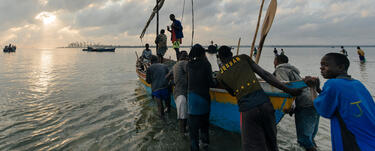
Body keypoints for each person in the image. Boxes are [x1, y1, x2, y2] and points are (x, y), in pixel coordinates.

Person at [216, 46, 302, 151]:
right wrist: (289, 90)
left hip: (248, 110)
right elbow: (265, 74)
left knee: (252, 146)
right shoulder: (243, 58)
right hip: (265, 104)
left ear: (219, 58)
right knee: (272, 142)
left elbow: (232, 93)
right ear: (231, 54)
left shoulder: (220, 75)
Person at [304, 53, 375, 151]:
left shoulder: (332, 84)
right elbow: (336, 99)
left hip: (353, 143)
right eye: (321, 65)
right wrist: (319, 89)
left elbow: (321, 108)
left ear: (341, 67)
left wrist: (312, 88)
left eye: (326, 65)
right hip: (370, 140)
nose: (321, 68)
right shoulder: (357, 84)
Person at [273, 54, 319, 151]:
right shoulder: (293, 70)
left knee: (304, 140)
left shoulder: (280, 69)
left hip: (304, 105)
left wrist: (290, 106)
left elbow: (286, 87)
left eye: (274, 60)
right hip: (314, 102)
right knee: (310, 138)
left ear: (277, 61)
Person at [187, 44, 214, 151]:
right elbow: (211, 82)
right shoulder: (206, 64)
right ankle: (205, 145)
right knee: (204, 127)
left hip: (192, 100)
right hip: (204, 99)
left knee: (193, 133)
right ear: (203, 53)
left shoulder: (188, 64)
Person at [166, 51, 189, 134]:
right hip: (182, 94)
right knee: (183, 118)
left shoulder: (175, 66)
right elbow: (192, 73)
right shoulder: (184, 63)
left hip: (177, 93)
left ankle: (183, 133)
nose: (187, 58)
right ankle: (183, 136)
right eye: (186, 56)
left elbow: (167, 77)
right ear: (185, 57)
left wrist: (172, 82)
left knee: (182, 118)